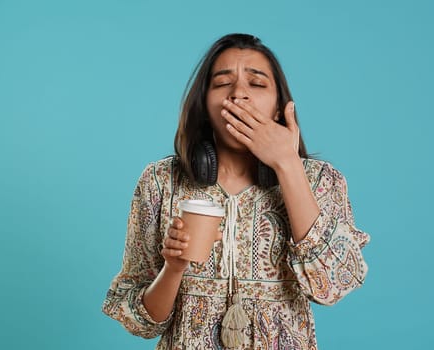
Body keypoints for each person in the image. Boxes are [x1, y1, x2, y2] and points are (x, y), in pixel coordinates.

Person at [102, 33, 370, 349]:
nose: (239, 93)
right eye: (221, 84)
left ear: (278, 108)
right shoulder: (161, 180)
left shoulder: (321, 180)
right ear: (204, 105)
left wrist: (288, 164)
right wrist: (173, 269)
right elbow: (139, 322)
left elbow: (334, 286)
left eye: (256, 85)